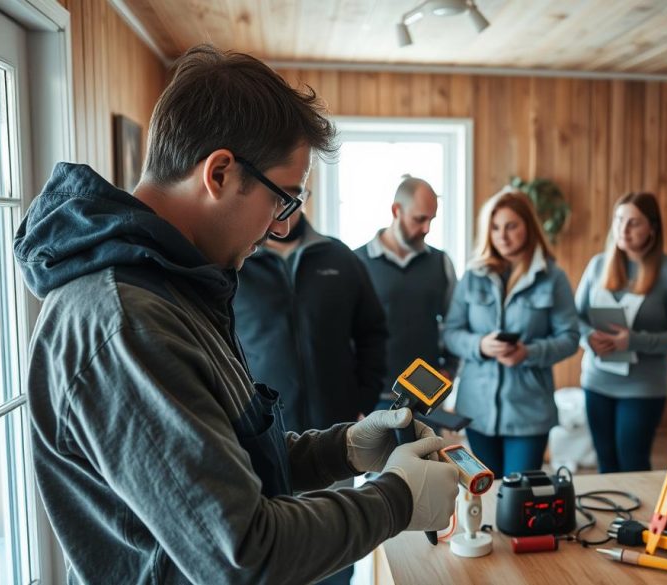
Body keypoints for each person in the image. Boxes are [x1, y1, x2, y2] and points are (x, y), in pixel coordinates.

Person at [13, 44, 457, 584]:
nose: (281, 227)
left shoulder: (180, 288)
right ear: (219, 173)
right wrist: (396, 500)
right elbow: (244, 555)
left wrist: (339, 449)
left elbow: (226, 465)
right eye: (282, 200)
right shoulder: (126, 321)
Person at [443, 188, 579, 478]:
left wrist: (528, 353)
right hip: (476, 411)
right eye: (494, 228)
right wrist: (480, 345)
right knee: (485, 495)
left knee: (519, 499)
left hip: (529, 412)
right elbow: (451, 332)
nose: (502, 235)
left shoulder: (552, 277)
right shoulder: (472, 275)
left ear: (528, 227)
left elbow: (570, 338)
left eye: (511, 226)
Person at [235, 209, 387, 434]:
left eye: (290, 197)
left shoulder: (340, 256)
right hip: (263, 430)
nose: (280, 207)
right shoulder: (235, 263)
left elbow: (372, 332)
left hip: (338, 428)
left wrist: (364, 400)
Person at [575, 192, 667, 473]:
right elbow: (575, 318)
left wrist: (633, 341)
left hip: (643, 388)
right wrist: (588, 338)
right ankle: (612, 518)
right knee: (605, 464)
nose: (623, 229)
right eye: (619, 220)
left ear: (652, 228)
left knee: (633, 464)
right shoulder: (597, 265)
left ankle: (638, 519)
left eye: (634, 223)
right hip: (596, 381)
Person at [354, 176, 458, 410]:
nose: (426, 229)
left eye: (431, 220)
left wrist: (450, 369)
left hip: (426, 397)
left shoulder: (441, 262)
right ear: (396, 210)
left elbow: (455, 323)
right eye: (419, 219)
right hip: (374, 397)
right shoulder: (356, 262)